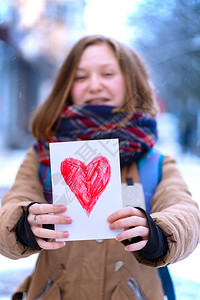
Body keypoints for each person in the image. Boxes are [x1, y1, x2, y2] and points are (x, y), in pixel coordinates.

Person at [0, 34, 200, 300]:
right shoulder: (41, 155)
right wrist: (26, 224)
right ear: (67, 87)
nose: (94, 85)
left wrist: (156, 232)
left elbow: (186, 214)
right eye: (81, 77)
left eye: (107, 73)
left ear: (132, 82)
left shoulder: (155, 162)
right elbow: (8, 216)